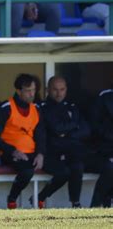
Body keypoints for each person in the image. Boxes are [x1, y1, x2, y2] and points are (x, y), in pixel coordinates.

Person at [0, 74, 45, 209]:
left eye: (33, 90)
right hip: (10, 153)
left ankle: (41, 197)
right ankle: (12, 199)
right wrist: (13, 151)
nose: (32, 94)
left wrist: (41, 153)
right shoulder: (6, 108)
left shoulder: (36, 109)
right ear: (19, 91)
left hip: (32, 153)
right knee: (27, 171)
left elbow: (41, 134)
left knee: (64, 171)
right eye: (28, 90)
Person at [36, 76, 89, 208]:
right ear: (48, 90)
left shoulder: (72, 106)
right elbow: (56, 128)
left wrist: (67, 132)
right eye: (55, 90)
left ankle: (75, 203)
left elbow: (86, 130)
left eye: (62, 89)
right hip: (50, 153)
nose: (59, 93)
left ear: (66, 90)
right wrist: (73, 125)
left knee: (78, 167)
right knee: (64, 172)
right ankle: (40, 198)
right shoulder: (42, 107)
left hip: (70, 151)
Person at [87, 88, 113, 207]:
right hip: (103, 152)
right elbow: (94, 126)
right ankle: (95, 206)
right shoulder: (105, 97)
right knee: (110, 167)